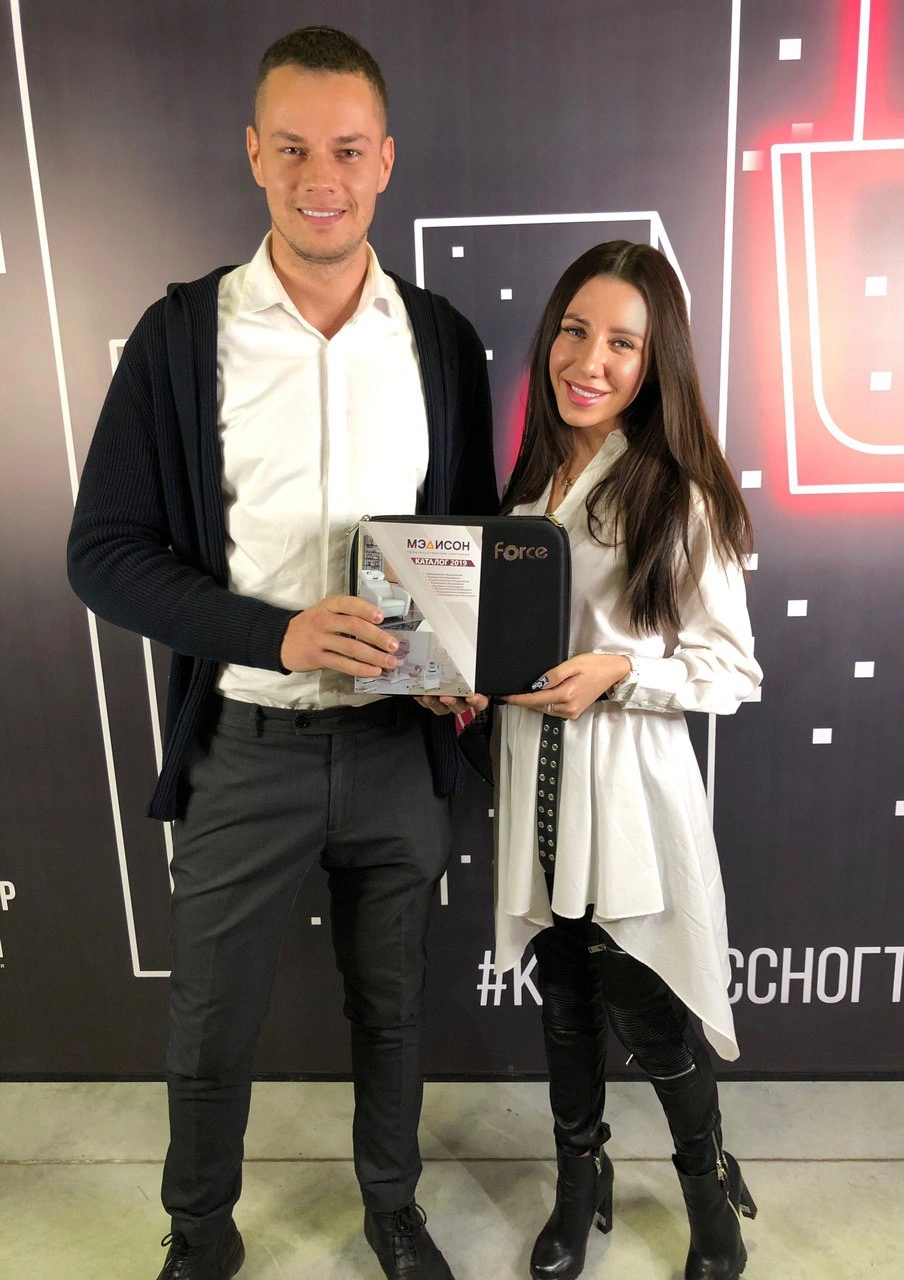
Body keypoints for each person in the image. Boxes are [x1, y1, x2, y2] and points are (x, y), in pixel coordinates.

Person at [67, 26, 497, 1280]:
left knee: (395, 1009)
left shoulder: (441, 341)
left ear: (386, 162)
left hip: (396, 746)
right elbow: (103, 553)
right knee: (210, 1025)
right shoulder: (180, 336)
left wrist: (463, 660)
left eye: (348, 150)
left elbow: (471, 541)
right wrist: (277, 630)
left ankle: (393, 1210)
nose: (323, 176)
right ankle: (201, 1233)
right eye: (296, 147)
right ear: (255, 154)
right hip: (245, 743)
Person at [423, 240, 762, 1280]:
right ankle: (582, 1179)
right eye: (576, 330)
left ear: (657, 364)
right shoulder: (527, 487)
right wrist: (463, 682)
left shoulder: (679, 494)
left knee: (651, 1019)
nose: (590, 359)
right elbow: (506, 644)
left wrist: (621, 672)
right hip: (536, 795)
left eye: (623, 342)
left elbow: (732, 669)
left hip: (626, 805)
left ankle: (707, 1191)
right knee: (564, 1009)